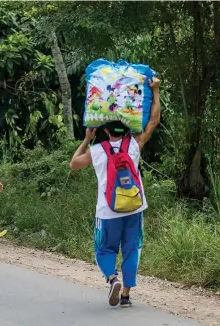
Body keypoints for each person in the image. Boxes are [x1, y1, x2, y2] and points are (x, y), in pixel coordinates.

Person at [69, 77, 161, 308]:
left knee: (104, 250)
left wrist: (86, 139)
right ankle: (127, 296)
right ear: (126, 128)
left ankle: (112, 278)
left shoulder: (97, 150)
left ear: (106, 130)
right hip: (135, 207)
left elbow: (73, 164)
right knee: (132, 249)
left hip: (107, 210)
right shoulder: (134, 145)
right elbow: (154, 120)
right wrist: (155, 90)